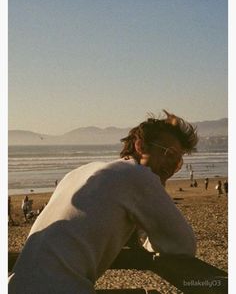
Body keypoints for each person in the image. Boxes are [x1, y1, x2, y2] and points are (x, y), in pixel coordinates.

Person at [9, 110, 198, 294]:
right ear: (141, 146)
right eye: (169, 154)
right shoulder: (138, 176)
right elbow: (183, 245)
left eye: (179, 160)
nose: (174, 165)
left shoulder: (80, 173)